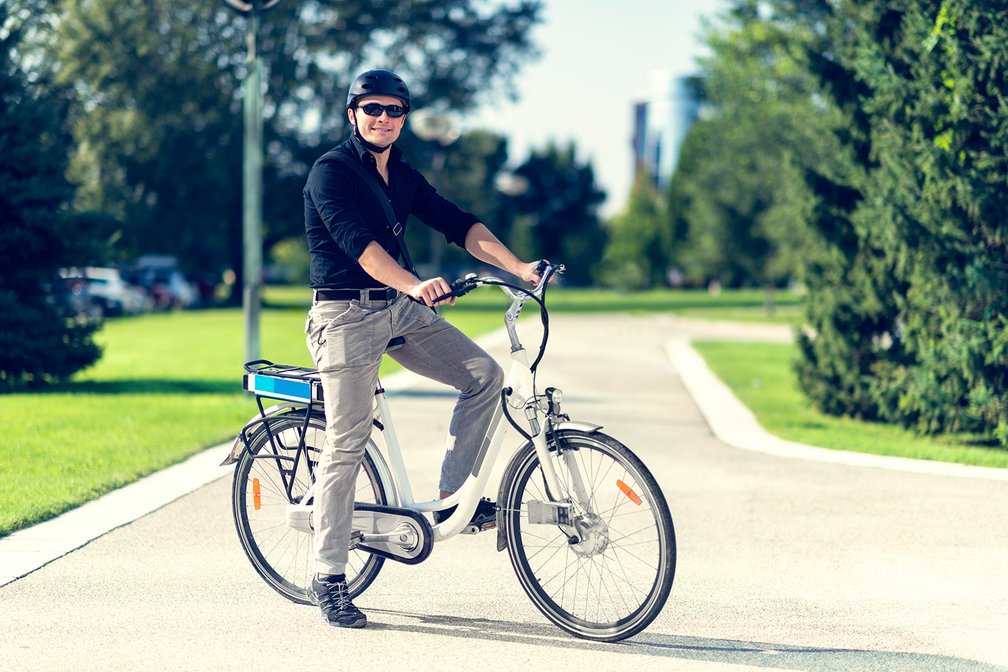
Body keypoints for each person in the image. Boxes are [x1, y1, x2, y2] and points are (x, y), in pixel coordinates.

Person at [302, 69, 543, 629]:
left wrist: (520, 268)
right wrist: (413, 284)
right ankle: (329, 574)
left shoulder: (403, 175)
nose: (384, 117)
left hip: (397, 310)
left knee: (483, 374)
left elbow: (458, 225)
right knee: (347, 438)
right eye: (372, 108)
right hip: (343, 313)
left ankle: (455, 497)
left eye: (394, 109)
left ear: (403, 117)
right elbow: (357, 246)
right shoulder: (331, 172)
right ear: (352, 114)